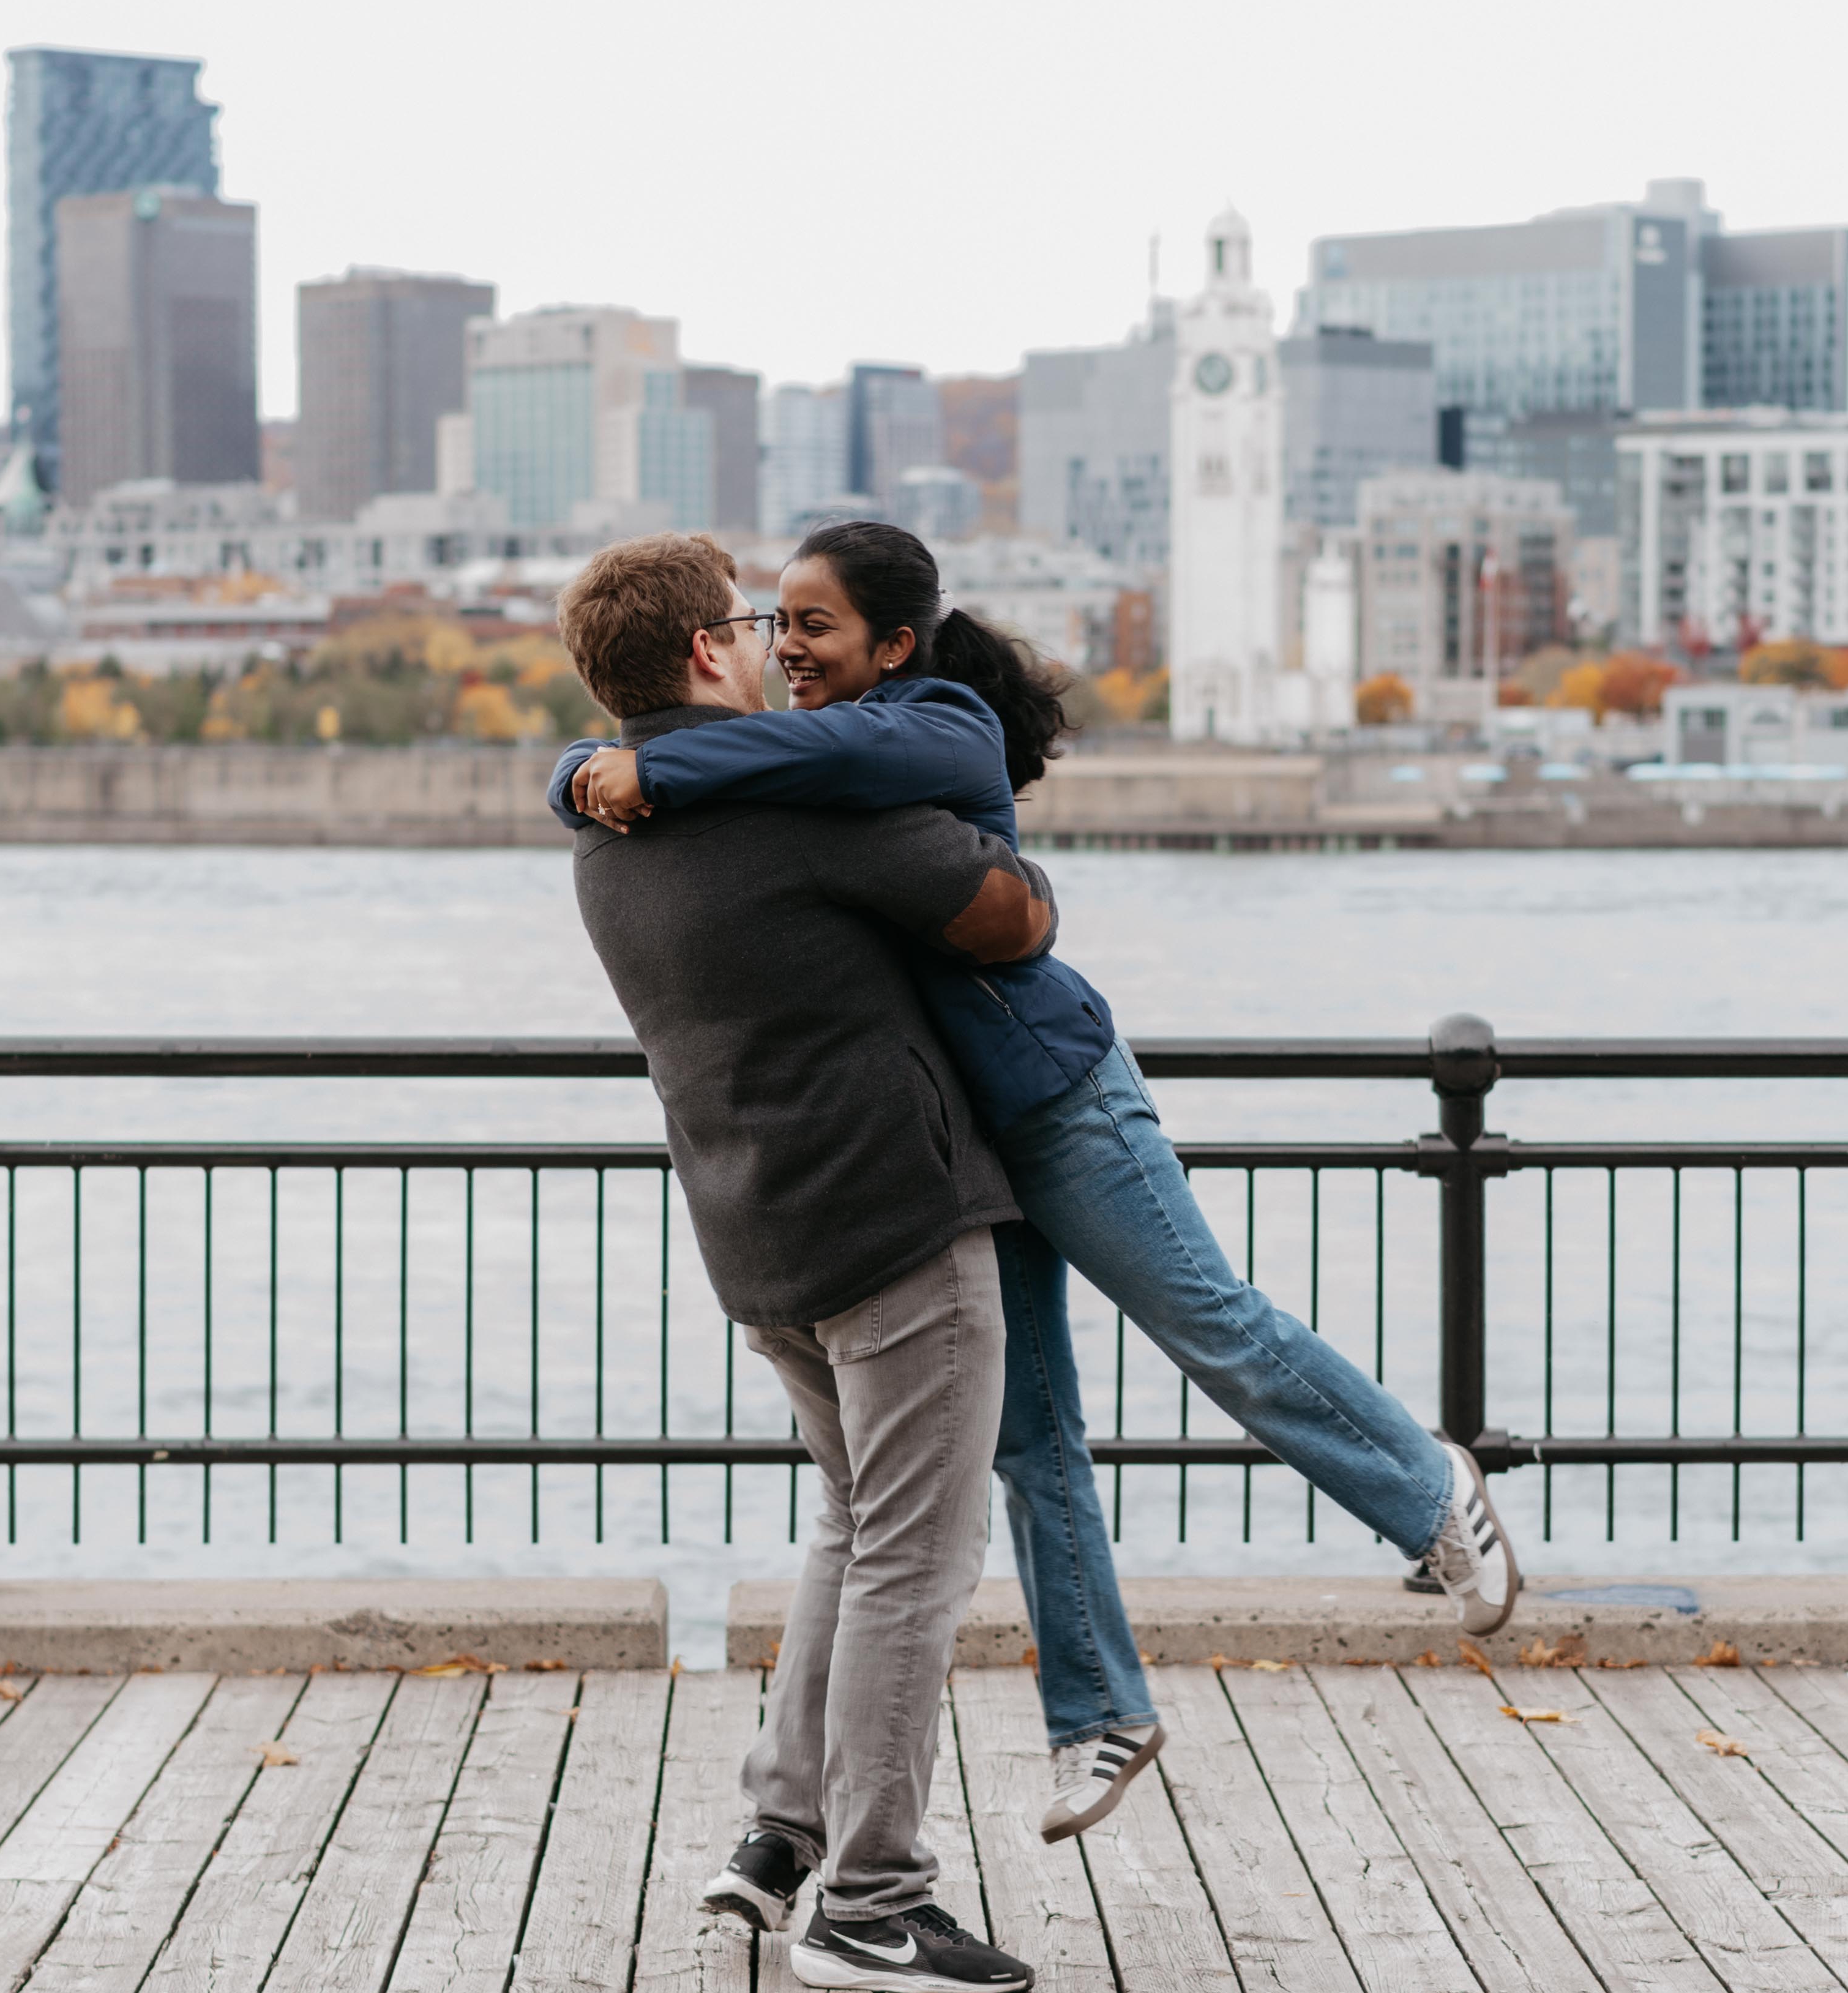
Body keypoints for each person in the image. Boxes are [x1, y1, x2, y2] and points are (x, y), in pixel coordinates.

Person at [559, 519, 1517, 1849]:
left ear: (895, 642)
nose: (788, 650)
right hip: (964, 1138)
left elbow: (840, 774)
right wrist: (584, 767)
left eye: (812, 626)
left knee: (1208, 1323)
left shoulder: (930, 724)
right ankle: (1100, 1711)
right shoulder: (794, 756)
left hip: (1057, 1094)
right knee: (1031, 1436)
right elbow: (774, 764)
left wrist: (622, 763)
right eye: (772, 626)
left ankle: (1426, 1487)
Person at [555, 531, 1046, 1993]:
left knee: (853, 1522)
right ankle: (874, 1902)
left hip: (758, 1232)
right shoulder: (788, 805)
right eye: (750, 621)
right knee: (916, 1551)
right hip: (890, 1221)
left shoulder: (603, 826)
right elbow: (1004, 909)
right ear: (707, 650)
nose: (774, 643)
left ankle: (780, 1831)